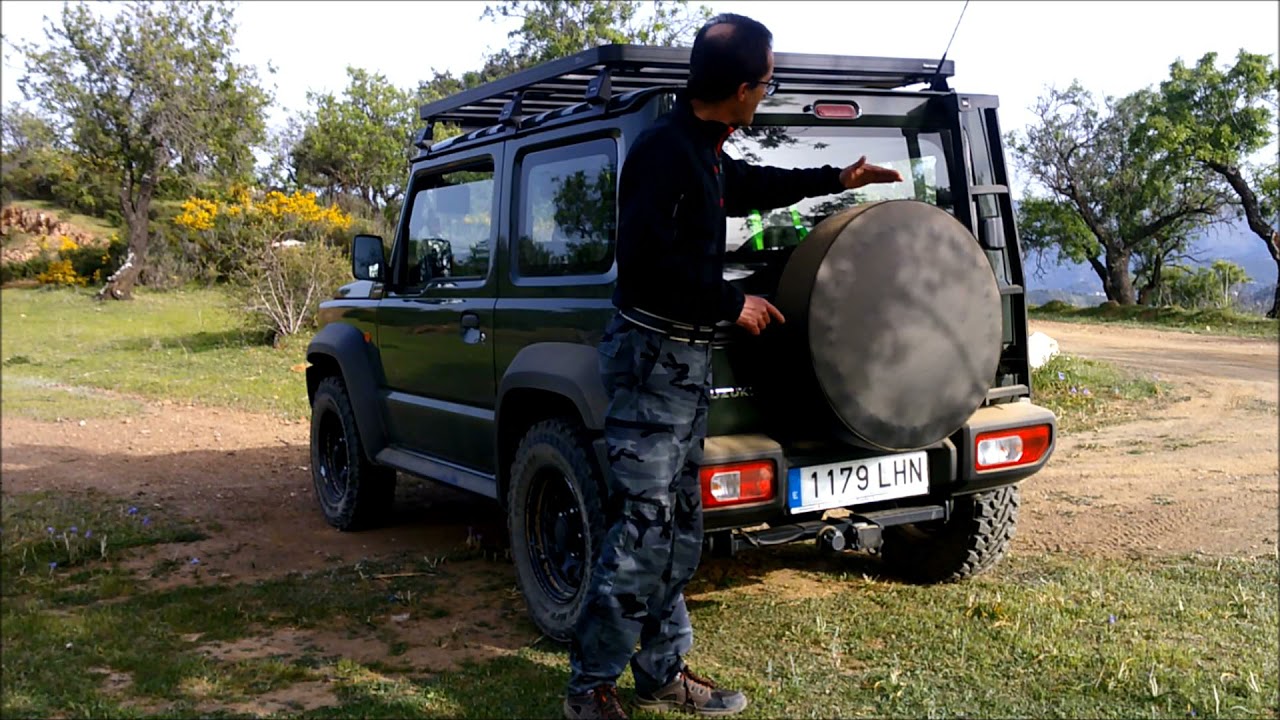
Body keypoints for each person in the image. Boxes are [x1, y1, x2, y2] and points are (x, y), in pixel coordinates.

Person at [564, 13, 904, 720]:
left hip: (682, 365)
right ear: (743, 89)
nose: (766, 95)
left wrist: (834, 176)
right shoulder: (664, 152)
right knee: (643, 530)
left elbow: (745, 187)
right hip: (653, 360)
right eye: (766, 84)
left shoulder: (705, 149)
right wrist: (731, 302)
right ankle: (590, 689)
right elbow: (645, 266)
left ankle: (661, 675)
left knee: (679, 529)